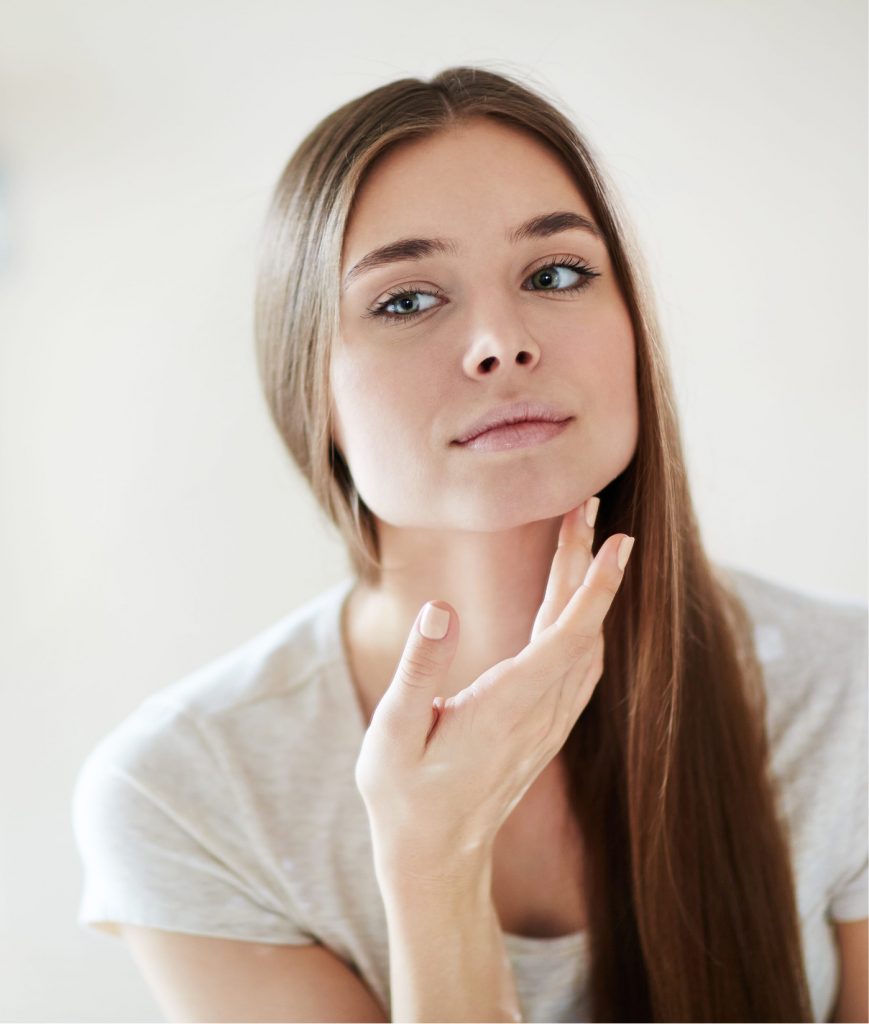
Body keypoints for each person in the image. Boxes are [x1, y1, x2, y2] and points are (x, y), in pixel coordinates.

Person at [72, 66, 867, 1023]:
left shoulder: (845, 698)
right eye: (406, 300)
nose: (500, 341)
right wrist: (430, 863)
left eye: (556, 274)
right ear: (310, 391)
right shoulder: (187, 793)